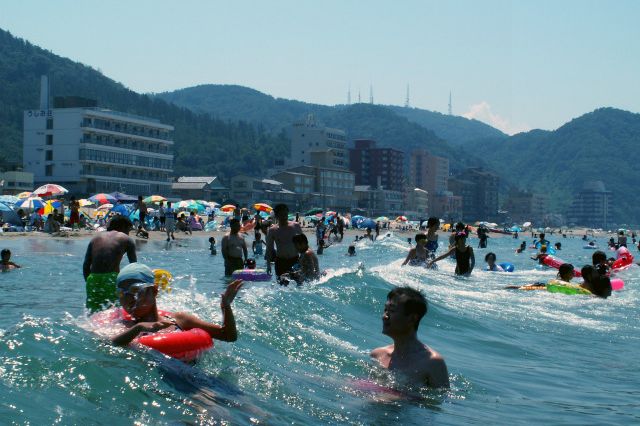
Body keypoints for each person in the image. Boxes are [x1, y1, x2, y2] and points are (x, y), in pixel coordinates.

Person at [110, 263, 243, 347]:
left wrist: (225, 306)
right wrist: (138, 328)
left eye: (135, 290)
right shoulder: (123, 326)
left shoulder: (179, 320)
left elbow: (228, 336)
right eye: (122, 293)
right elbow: (112, 344)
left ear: (154, 291)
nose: (129, 299)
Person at [370, 287, 449, 388]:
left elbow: (441, 401)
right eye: (385, 310)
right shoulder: (377, 355)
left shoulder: (432, 363)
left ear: (412, 318)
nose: (384, 316)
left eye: (392, 311)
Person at [83, 216, 137, 312]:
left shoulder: (95, 238)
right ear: (123, 227)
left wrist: (89, 283)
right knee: (113, 313)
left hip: (93, 278)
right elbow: (133, 267)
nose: (128, 233)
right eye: (128, 230)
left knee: (93, 313)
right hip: (111, 279)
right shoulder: (127, 239)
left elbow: (86, 265)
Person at [265, 204, 303, 277]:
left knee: (299, 285)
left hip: (295, 260)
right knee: (282, 286)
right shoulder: (273, 230)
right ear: (276, 216)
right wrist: (268, 265)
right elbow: (269, 249)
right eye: (281, 214)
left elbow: (303, 245)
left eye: (285, 214)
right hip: (280, 262)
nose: (284, 216)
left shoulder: (295, 226)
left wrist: (303, 260)